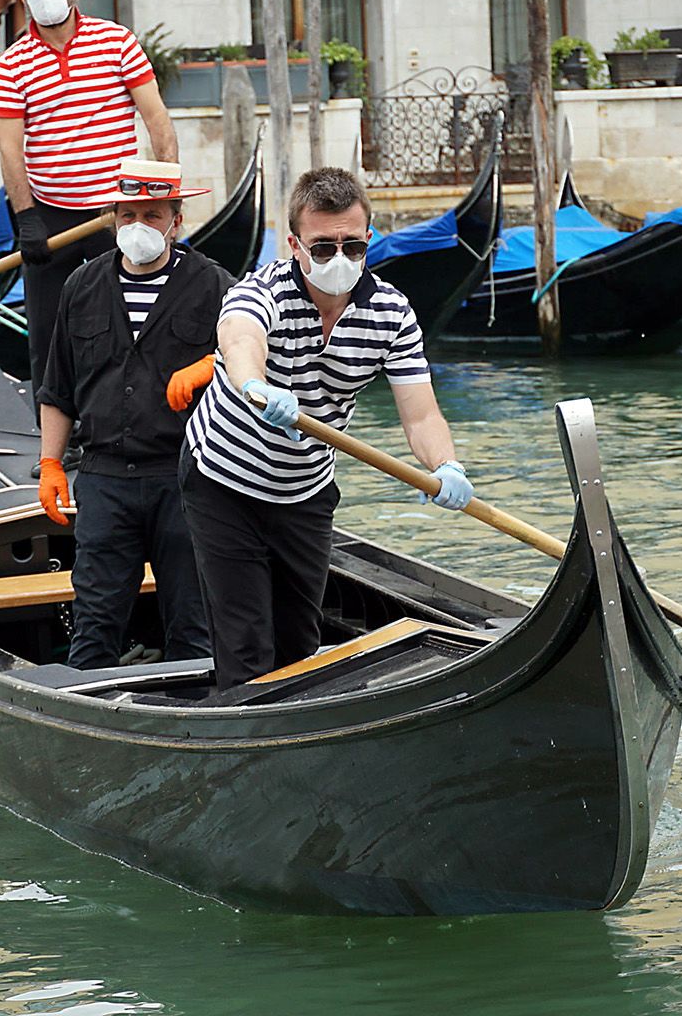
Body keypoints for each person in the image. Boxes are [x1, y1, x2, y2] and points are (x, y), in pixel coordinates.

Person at [179, 168, 475, 690]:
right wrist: (256, 387)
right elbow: (241, 338)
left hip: (306, 487)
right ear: (293, 244)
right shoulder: (261, 290)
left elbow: (421, 414)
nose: (339, 260)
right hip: (223, 481)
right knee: (247, 643)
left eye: (353, 246)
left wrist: (444, 464)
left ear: (369, 238)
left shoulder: (392, 312)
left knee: (300, 645)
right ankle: (248, 748)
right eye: (322, 248)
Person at [35, 159, 230, 670]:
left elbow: (256, 358)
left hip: (188, 477)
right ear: (112, 217)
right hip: (103, 480)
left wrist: (215, 362)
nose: (138, 226)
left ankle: (203, 724)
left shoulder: (215, 287)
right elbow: (58, 389)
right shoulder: (81, 287)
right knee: (95, 623)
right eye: (127, 215)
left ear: (176, 219)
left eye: (152, 214)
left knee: (196, 625)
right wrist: (52, 464)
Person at [0, 0, 180, 389]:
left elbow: (157, 121)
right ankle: (54, 448)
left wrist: (167, 199)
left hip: (121, 213)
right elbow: (9, 151)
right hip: (51, 218)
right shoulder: (11, 65)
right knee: (50, 336)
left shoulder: (117, 43)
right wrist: (26, 219)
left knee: (130, 325)